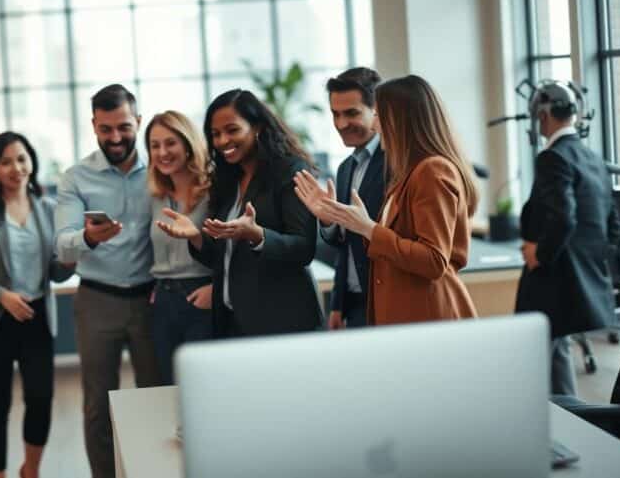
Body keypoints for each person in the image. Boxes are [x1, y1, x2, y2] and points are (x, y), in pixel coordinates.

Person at [294, 74, 479, 325]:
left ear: (399, 120)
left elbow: (434, 261)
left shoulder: (431, 170)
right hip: (403, 311)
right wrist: (337, 219)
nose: (375, 126)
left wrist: (368, 228)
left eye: (379, 116)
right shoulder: (410, 171)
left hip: (425, 313)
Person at [54, 84, 160, 478]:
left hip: (152, 298)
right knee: (98, 402)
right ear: (94, 126)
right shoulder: (76, 177)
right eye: (105, 129)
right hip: (97, 300)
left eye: (123, 127)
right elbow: (62, 248)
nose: (115, 138)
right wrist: (87, 238)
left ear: (139, 121)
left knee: (154, 395)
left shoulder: (162, 167)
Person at [157, 89, 323, 338]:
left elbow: (304, 248)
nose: (223, 140)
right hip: (234, 321)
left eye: (232, 130)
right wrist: (196, 237)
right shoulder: (228, 179)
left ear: (257, 127)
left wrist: (258, 235)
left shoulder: (289, 172)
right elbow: (223, 258)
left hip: (282, 321)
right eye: (215, 134)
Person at [0, 131, 74, 478]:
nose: (16, 168)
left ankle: (31, 470)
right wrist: (2, 296)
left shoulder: (47, 208)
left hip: (36, 315)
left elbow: (54, 272)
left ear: (32, 163)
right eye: (6, 161)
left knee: (40, 399)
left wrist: (72, 259)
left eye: (22, 159)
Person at [514, 81, 620, 396]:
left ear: (543, 116)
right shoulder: (592, 158)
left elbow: (564, 218)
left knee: (531, 353)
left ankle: (541, 424)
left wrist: (540, 254)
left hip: (554, 276)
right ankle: (567, 418)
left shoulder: (553, 158)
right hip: (586, 277)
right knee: (553, 350)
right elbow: (612, 224)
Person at [145, 111, 214, 384]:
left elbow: (234, 250)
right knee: (169, 386)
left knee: (203, 386)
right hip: (163, 301)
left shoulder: (214, 192)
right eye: (154, 145)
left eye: (170, 143)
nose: (162, 152)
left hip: (202, 295)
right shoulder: (155, 196)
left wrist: (217, 287)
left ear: (188, 144)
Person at [319, 68, 385, 329]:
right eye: (335, 114)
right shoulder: (346, 168)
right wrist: (337, 303)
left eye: (351, 113)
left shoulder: (398, 161)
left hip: (386, 297)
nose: (341, 124)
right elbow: (345, 244)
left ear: (376, 110)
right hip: (354, 303)